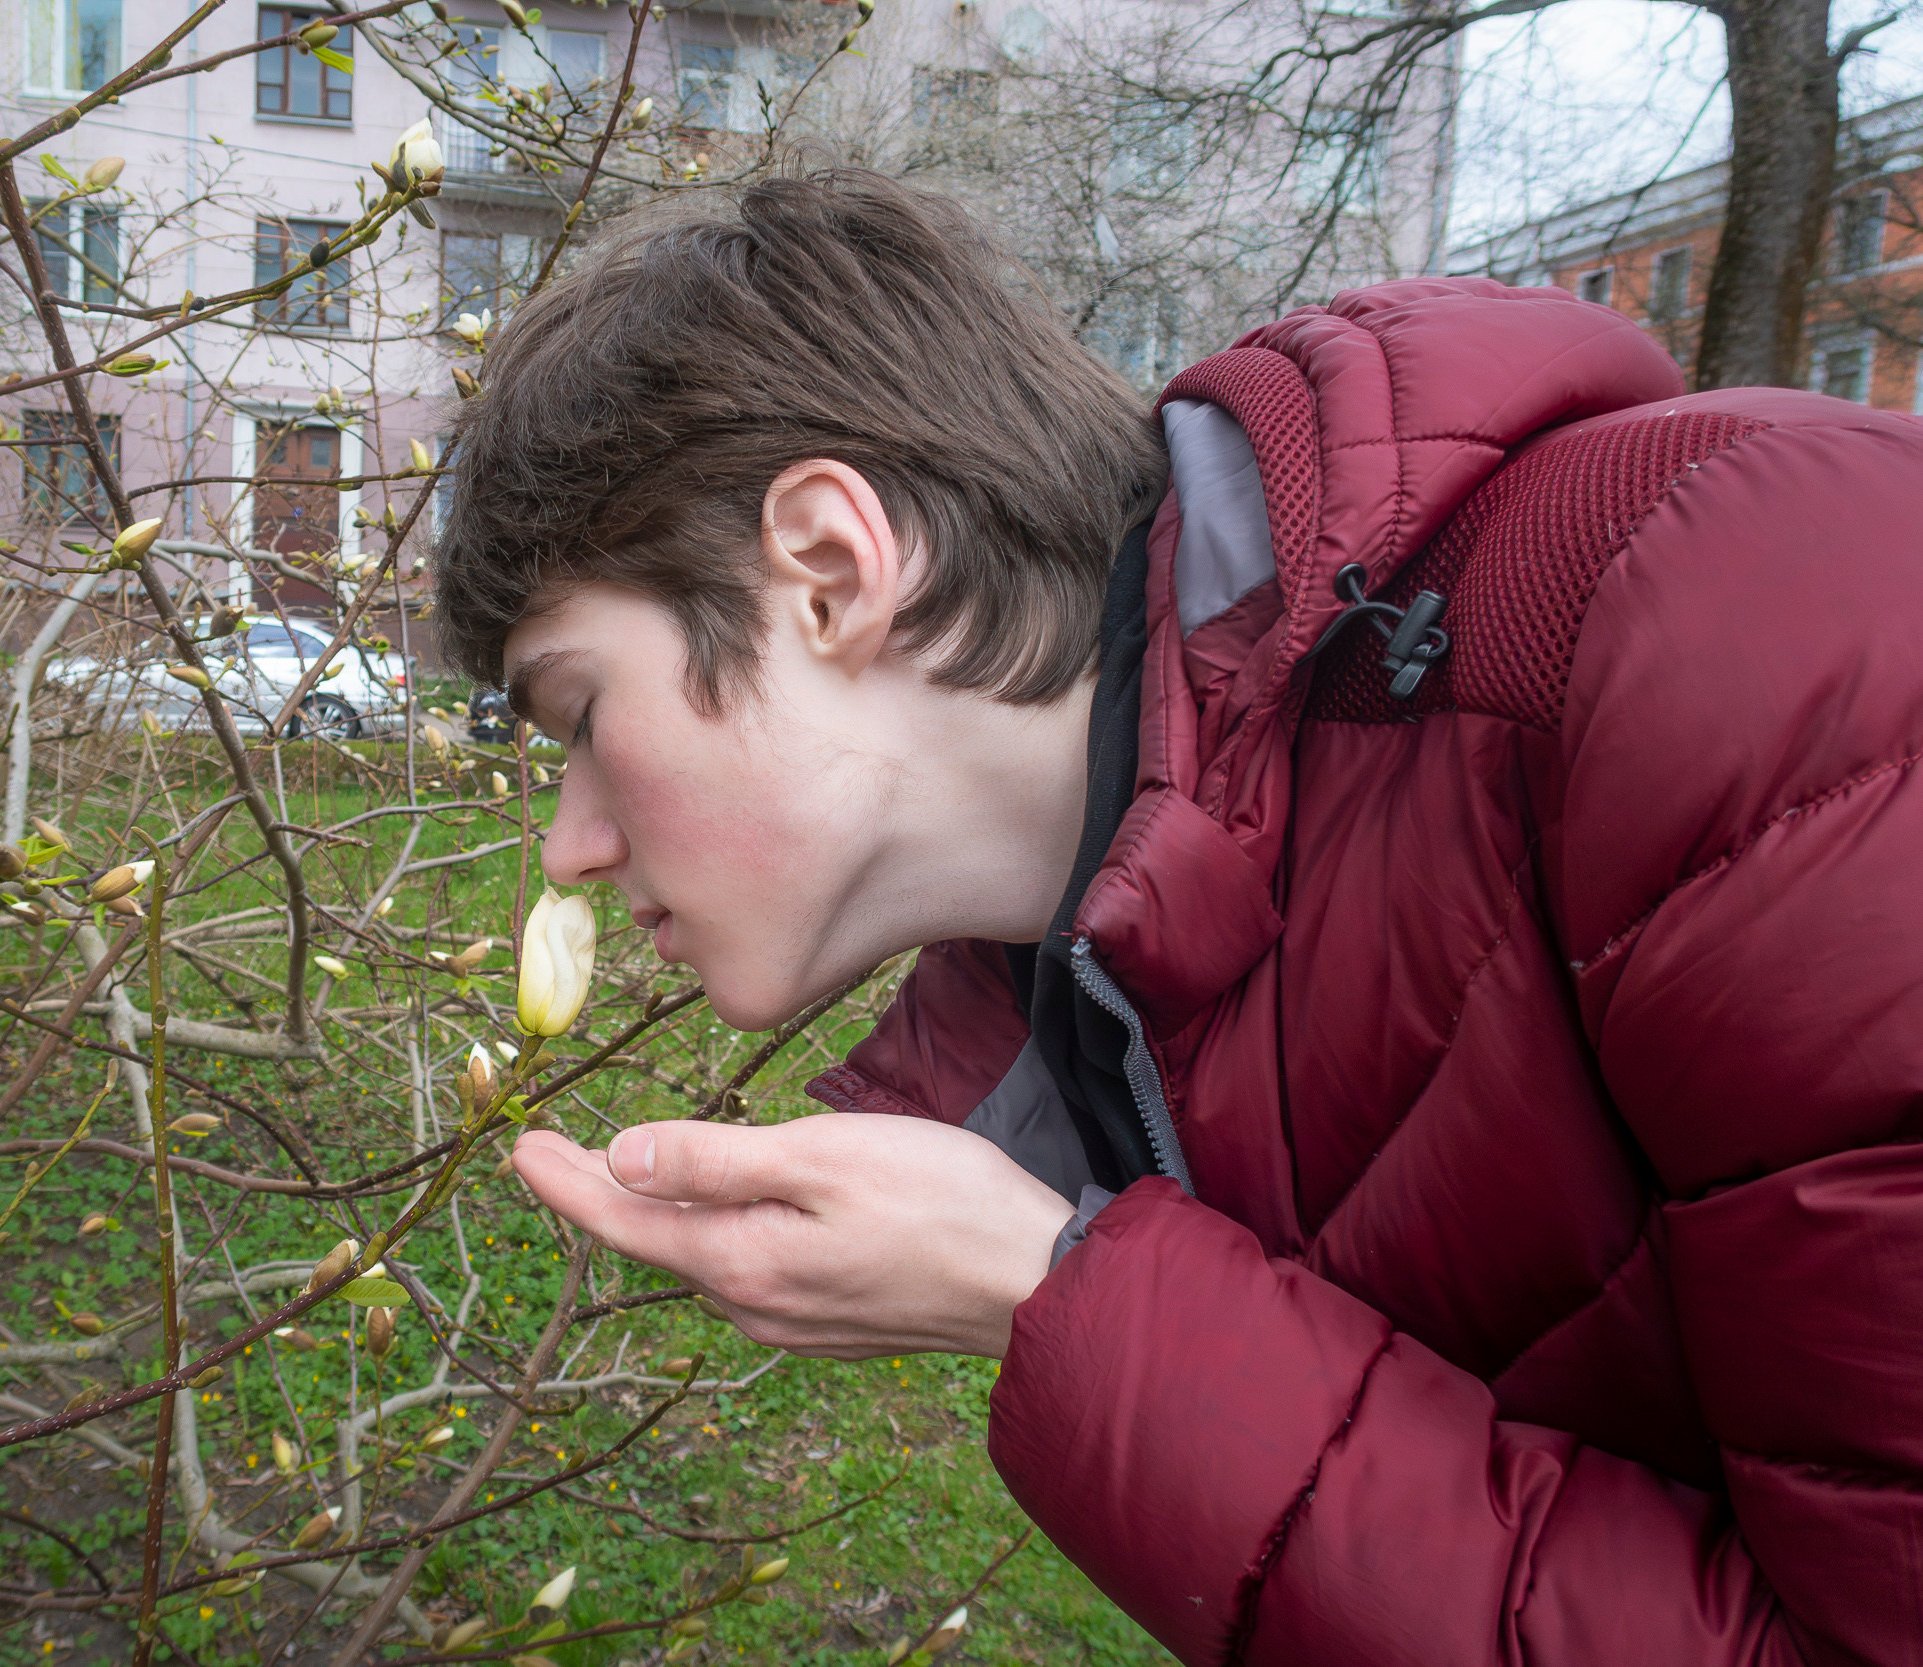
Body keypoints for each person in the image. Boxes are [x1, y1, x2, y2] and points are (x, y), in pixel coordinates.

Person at [427, 169, 1923, 1664]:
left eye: (579, 709)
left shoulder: (1765, 642)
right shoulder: (1116, 1013)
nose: (570, 846)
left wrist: (1066, 1298)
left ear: (829, 572)